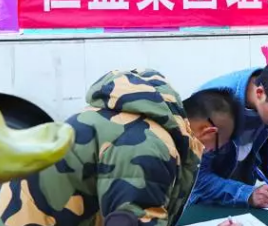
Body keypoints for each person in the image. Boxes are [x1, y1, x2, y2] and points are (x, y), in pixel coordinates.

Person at [0, 68, 241, 226]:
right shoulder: (151, 145)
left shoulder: (121, 118)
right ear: (209, 132)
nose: (210, 152)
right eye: (217, 147)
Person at [189, 57, 268, 208]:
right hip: (205, 203)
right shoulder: (211, 108)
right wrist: (247, 194)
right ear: (260, 93)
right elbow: (197, 180)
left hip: (242, 195)